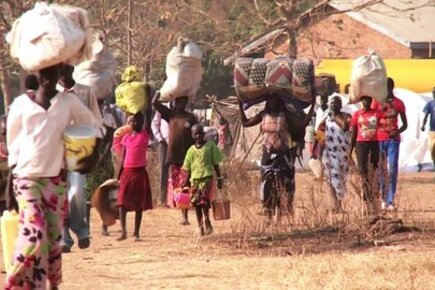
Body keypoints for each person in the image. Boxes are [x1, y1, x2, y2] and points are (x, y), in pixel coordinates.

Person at [5, 64, 99, 290]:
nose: (47, 78)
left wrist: (90, 156)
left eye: (52, 73)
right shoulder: (20, 105)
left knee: (53, 241)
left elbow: (93, 126)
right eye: (43, 72)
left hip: (55, 181)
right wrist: (10, 183)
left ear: (60, 74)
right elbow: (13, 146)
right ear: (36, 74)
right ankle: (14, 283)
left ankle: (50, 284)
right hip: (26, 179)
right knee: (35, 234)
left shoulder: (68, 103)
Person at [239, 96, 314, 219]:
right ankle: (267, 211)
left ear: (279, 101)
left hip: (282, 154)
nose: (272, 102)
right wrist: (239, 104)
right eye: (270, 100)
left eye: (274, 99)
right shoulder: (264, 114)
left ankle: (282, 212)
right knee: (266, 183)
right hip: (267, 154)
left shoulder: (285, 115)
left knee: (283, 184)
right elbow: (246, 123)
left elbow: (303, 123)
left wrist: (313, 104)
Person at [57, 63, 104, 253]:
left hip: (79, 149)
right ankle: (64, 236)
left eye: (66, 68)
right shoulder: (52, 94)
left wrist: (96, 148)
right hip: (57, 151)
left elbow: (97, 121)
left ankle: (82, 231)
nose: (63, 73)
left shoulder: (85, 92)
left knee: (76, 191)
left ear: (72, 69)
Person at [152, 92, 197, 225]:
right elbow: (154, 103)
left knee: (185, 185)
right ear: (174, 102)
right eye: (178, 101)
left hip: (187, 157)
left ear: (186, 102)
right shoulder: (170, 115)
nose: (180, 104)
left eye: (182, 101)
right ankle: (182, 211)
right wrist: (161, 92)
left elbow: (198, 135)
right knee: (178, 186)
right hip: (174, 157)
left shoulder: (191, 117)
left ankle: (185, 215)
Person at [350, 96, 397, 211]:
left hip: (374, 144)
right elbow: (354, 132)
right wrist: (350, 149)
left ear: (371, 101)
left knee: (374, 171)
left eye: (369, 100)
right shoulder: (357, 114)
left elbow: (392, 113)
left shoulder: (377, 113)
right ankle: (366, 199)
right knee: (363, 171)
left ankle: (375, 198)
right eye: (364, 100)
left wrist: (389, 104)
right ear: (361, 102)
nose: (367, 102)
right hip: (361, 145)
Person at [371, 78, 407, 210]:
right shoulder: (376, 103)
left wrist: (396, 131)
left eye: (387, 87)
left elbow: (405, 124)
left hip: (393, 140)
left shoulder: (399, 103)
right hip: (379, 139)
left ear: (391, 87)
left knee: (392, 169)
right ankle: (383, 198)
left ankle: (391, 200)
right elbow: (372, 120)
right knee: (381, 170)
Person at [116, 112, 153, 241]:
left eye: (136, 121)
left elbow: (148, 117)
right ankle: (123, 231)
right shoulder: (126, 137)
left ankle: (136, 233)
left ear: (142, 123)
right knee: (121, 202)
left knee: (139, 204)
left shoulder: (144, 135)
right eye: (132, 121)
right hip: (126, 172)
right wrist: (118, 175)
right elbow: (123, 158)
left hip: (139, 173)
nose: (134, 124)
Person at [182, 124, 223, 236]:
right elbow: (188, 168)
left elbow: (215, 163)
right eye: (195, 134)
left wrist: (219, 177)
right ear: (192, 135)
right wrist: (185, 182)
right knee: (196, 203)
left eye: (200, 133)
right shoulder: (191, 150)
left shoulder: (210, 147)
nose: (198, 136)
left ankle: (207, 220)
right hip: (195, 180)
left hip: (206, 178)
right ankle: (200, 227)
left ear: (204, 134)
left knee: (204, 201)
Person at [319, 96, 352, 212]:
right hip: (329, 153)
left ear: (340, 105)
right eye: (332, 103)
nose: (333, 105)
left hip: (342, 154)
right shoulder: (326, 118)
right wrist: (318, 152)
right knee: (331, 179)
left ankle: (339, 204)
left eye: (336, 103)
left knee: (341, 180)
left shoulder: (346, 116)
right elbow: (320, 132)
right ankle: (335, 205)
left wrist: (334, 117)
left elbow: (345, 126)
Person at [151, 102, 170, 207]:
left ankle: (177, 199)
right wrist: (159, 138)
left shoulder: (179, 107)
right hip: (163, 144)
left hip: (177, 144)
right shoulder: (163, 108)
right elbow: (154, 124)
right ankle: (162, 199)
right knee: (163, 171)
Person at [421, 87, 435, 171]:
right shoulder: (430, 104)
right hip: (432, 130)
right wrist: (423, 125)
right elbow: (426, 116)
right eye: (433, 92)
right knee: (432, 148)